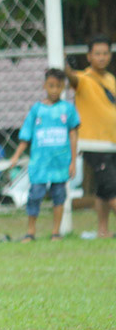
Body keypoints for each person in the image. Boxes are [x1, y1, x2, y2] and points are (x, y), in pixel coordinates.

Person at [8, 69, 80, 241]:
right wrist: (16, 155)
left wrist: (73, 161)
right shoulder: (37, 110)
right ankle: (30, 232)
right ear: (45, 85)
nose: (54, 90)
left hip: (60, 163)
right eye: (51, 86)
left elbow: (73, 135)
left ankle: (56, 232)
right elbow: (26, 135)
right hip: (40, 164)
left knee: (59, 197)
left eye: (58, 86)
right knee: (35, 197)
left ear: (63, 87)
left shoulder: (68, 109)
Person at [64, 36, 116, 238]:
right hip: (94, 144)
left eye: (105, 53)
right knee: (112, 186)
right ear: (89, 56)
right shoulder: (83, 79)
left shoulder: (111, 80)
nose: (101, 58)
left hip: (111, 143)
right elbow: (71, 77)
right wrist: (64, 64)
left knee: (103, 189)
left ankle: (102, 230)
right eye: (97, 54)